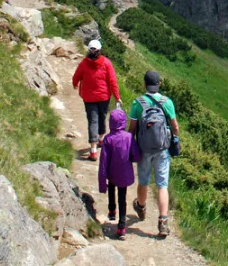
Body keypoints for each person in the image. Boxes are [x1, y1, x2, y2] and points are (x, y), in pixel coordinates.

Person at [128, 70, 179, 236]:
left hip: (143, 148)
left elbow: (132, 129)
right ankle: (163, 222)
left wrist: (129, 147)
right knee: (162, 185)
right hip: (162, 148)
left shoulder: (138, 103)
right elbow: (175, 126)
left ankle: (141, 207)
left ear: (144, 84)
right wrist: (175, 140)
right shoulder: (167, 103)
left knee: (143, 180)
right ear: (159, 84)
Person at [72, 39, 122, 161]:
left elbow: (76, 77)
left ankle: (93, 151)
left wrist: (75, 84)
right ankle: (100, 140)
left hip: (88, 97)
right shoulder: (106, 63)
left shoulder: (84, 63)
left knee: (92, 121)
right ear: (99, 51)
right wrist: (117, 97)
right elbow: (112, 81)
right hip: (103, 97)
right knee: (102, 117)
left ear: (89, 50)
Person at [99, 108, 140, 240]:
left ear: (110, 122)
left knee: (111, 188)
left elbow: (103, 162)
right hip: (124, 173)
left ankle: (112, 211)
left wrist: (101, 183)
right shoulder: (128, 137)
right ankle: (122, 227)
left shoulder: (107, 139)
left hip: (112, 173)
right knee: (122, 198)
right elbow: (136, 156)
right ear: (124, 122)